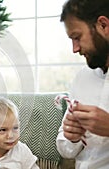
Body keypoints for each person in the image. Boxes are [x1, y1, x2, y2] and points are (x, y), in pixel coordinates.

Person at [56, 0, 109, 168]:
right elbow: (66, 150)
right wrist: (71, 136)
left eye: (77, 37)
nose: (74, 49)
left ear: (103, 25)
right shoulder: (81, 78)